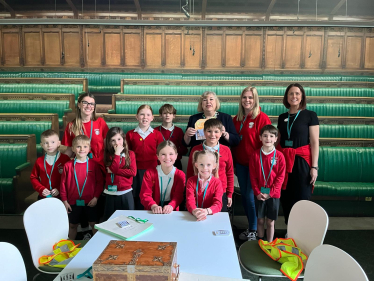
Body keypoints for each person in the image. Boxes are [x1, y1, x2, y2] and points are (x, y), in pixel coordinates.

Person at [232, 86, 271, 241]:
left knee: (251, 196)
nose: (247, 100)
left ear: (255, 99)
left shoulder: (262, 118)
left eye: (250, 97)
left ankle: (255, 229)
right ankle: (252, 227)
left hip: (257, 166)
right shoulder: (236, 119)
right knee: (246, 197)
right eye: (244, 97)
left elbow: (268, 142)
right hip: (241, 165)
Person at [277, 83, 319, 225]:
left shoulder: (310, 115)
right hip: (284, 162)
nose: (294, 96)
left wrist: (314, 167)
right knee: (286, 198)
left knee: (302, 198)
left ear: (302, 97)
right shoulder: (282, 117)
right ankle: (290, 231)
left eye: (297, 94)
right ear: (286, 97)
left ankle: (302, 233)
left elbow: (314, 143)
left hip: (301, 161)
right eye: (291, 93)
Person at [60, 135, 104, 239]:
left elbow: (100, 182)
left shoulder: (94, 164)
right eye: (78, 146)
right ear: (73, 148)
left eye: (85, 147)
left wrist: (96, 197)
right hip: (73, 202)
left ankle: (97, 245)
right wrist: (65, 201)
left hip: (90, 201)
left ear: (89, 149)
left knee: (94, 224)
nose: (82, 149)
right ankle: (69, 247)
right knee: (72, 225)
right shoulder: (68, 165)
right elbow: (63, 184)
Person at [187, 119, 234, 212]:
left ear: (221, 133)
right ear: (204, 132)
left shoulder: (226, 150)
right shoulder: (196, 150)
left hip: (220, 192)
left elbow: (229, 173)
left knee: (218, 221)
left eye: (216, 131)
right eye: (209, 131)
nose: (213, 135)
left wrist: (229, 194)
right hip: (199, 191)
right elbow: (190, 171)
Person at [249, 125, 286, 242]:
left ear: (276, 139)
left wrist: (271, 193)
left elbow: (280, 177)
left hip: (273, 195)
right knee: (260, 220)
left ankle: (270, 243)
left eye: (271, 136)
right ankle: (260, 241)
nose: (268, 138)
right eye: (265, 135)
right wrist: (257, 192)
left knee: (270, 221)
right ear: (260, 138)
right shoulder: (255, 155)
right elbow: (253, 176)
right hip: (260, 193)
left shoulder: (280, 156)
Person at [126, 105, 164, 210]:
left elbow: (161, 154)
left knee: (151, 193)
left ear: (152, 117)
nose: (145, 117)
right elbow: (127, 155)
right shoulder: (130, 134)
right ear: (137, 117)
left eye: (148, 114)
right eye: (142, 114)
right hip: (135, 171)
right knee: (136, 194)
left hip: (152, 170)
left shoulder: (157, 134)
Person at [62, 93, 109, 172]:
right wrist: (59, 162)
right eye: (85, 103)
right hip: (80, 165)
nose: (88, 106)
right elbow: (70, 150)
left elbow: (108, 146)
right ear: (79, 105)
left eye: (91, 104)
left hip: (99, 166)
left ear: (94, 107)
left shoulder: (100, 122)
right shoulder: (71, 126)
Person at [140, 141, 186, 213]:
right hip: (152, 208)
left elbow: (178, 196)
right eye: (163, 154)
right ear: (157, 156)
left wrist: (171, 205)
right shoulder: (149, 173)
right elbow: (145, 195)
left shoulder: (180, 175)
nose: (167, 157)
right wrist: (153, 206)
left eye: (171, 154)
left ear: (176, 156)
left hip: (171, 209)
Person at [103, 127, 137, 221]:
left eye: (119, 139)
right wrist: (117, 154)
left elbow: (133, 172)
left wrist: (115, 171)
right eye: (113, 140)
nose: (117, 143)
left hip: (126, 192)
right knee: (110, 220)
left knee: (128, 220)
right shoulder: (107, 155)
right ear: (109, 142)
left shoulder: (130, 154)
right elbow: (114, 168)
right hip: (110, 193)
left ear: (123, 139)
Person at [30, 129, 70, 200]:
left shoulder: (65, 159)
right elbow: (33, 178)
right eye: (46, 143)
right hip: (44, 196)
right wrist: (41, 189)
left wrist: (59, 188)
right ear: (42, 145)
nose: (49, 145)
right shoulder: (39, 161)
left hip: (62, 196)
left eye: (53, 142)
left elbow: (69, 178)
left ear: (58, 143)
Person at [186, 150, 223, 221]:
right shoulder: (191, 181)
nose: (205, 168)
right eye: (201, 164)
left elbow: (218, 203)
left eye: (208, 165)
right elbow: (189, 200)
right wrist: (194, 211)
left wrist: (206, 211)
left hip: (210, 216)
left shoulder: (217, 183)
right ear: (196, 165)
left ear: (214, 166)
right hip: (193, 216)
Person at [154, 104, 188, 171]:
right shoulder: (155, 130)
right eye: (165, 113)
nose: (167, 115)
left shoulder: (179, 131)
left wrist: (172, 153)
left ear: (174, 116)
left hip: (175, 162)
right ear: (160, 115)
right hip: (160, 162)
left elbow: (184, 149)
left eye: (170, 113)